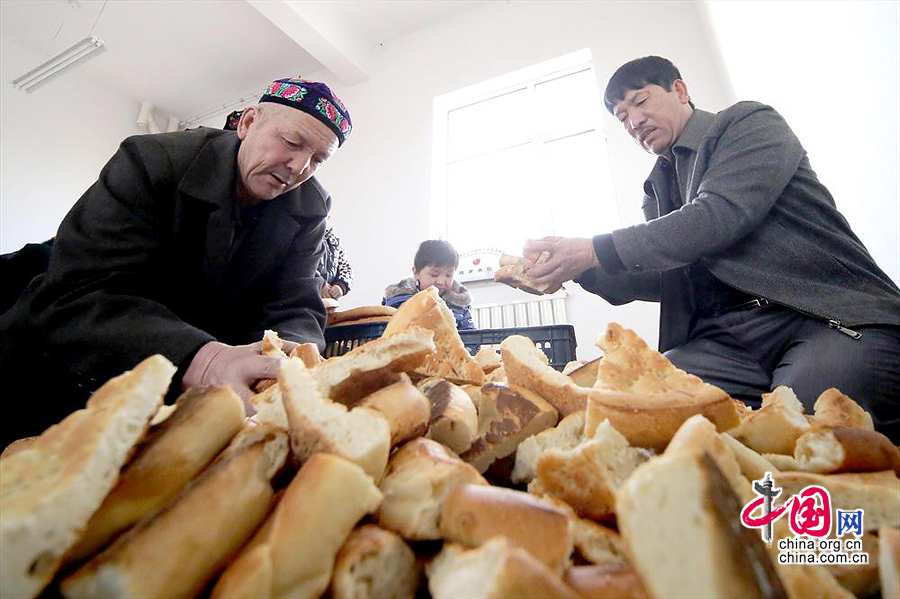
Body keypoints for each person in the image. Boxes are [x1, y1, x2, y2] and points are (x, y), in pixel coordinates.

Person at [523, 56, 900, 440]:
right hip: (726, 341)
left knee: (800, 434)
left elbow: (716, 216)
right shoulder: (658, 186)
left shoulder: (747, 123)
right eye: (621, 116)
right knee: (624, 410)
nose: (633, 122)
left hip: (822, 318)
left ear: (680, 90)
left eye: (640, 101)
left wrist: (592, 249)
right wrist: (579, 268)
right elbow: (669, 276)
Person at [0, 77, 353, 446]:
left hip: (174, 404)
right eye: (292, 142)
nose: (299, 166)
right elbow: (83, 291)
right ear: (248, 123)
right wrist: (204, 360)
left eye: (317, 159)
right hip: (56, 377)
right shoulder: (152, 161)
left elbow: (295, 301)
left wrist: (286, 357)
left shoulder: (310, 207)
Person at [383, 240, 475, 330]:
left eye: (448, 275)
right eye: (434, 275)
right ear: (416, 272)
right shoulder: (398, 301)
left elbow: (471, 336)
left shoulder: (460, 305)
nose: (441, 281)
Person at [317, 216, 353, 301]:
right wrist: (320, 284)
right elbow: (302, 267)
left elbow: (346, 268)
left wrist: (341, 286)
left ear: (328, 217)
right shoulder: (303, 239)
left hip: (330, 301)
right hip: (307, 300)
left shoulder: (334, 242)